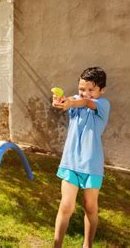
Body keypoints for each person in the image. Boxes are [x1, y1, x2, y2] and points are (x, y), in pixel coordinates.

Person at [52, 67, 110, 248]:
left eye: (91, 89)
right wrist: (61, 101)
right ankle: (57, 245)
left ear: (102, 90)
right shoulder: (76, 101)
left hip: (92, 165)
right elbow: (72, 101)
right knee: (66, 205)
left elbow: (85, 103)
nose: (85, 93)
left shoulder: (103, 105)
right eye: (81, 89)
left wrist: (73, 101)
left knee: (90, 207)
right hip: (71, 162)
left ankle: (87, 245)